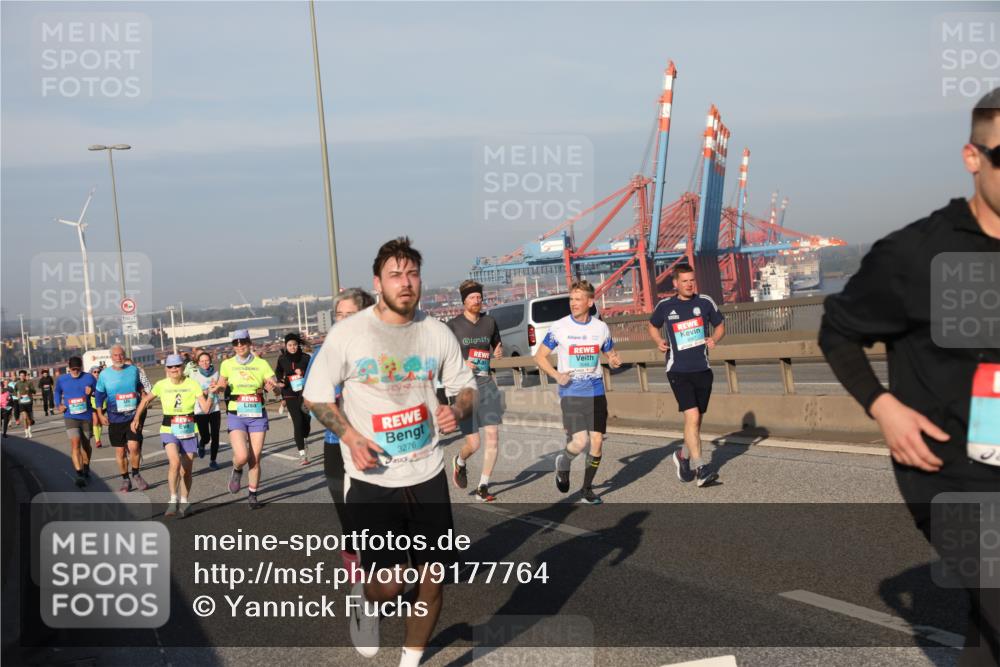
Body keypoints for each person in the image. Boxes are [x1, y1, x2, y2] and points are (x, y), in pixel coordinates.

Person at [819, 89, 1000, 667]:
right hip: (955, 476)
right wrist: (883, 405)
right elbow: (837, 332)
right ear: (973, 157)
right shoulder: (916, 255)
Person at [304, 238, 477, 666]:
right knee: (390, 586)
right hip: (372, 480)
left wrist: (457, 408)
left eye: (412, 274)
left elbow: (467, 386)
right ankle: (365, 597)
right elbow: (316, 397)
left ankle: (410, 661)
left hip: (427, 472)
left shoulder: (436, 332)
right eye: (395, 275)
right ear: (378, 283)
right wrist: (350, 437)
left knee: (432, 579)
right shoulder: (349, 334)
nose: (406, 283)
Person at [305, 288, 376, 583]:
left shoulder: (382, 349)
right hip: (337, 445)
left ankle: (383, 573)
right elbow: (312, 405)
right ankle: (359, 581)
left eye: (351, 315)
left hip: (377, 445)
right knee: (349, 517)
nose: (344, 321)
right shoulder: (323, 353)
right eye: (339, 316)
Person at [534, 280, 622, 505]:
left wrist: (613, 359)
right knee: (580, 442)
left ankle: (586, 488)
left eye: (578, 299)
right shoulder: (560, 327)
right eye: (571, 299)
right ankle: (563, 463)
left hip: (595, 390)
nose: (573, 303)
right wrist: (556, 375)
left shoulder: (600, 327)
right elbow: (540, 356)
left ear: (590, 302)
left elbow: (610, 352)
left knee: (597, 442)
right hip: (571, 392)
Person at [646, 262, 726, 487]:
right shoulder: (665, 306)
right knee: (692, 416)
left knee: (696, 420)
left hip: (702, 368)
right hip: (678, 370)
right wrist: (658, 340)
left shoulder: (705, 302)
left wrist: (714, 339)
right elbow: (652, 326)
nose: (689, 284)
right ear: (675, 284)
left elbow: (720, 326)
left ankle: (683, 456)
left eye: (692, 280)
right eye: (684, 281)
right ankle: (701, 468)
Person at [446, 279, 505, 502]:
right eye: (472, 298)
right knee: (474, 444)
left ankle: (483, 487)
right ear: (464, 301)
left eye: (479, 297)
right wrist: (463, 362)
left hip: (486, 383)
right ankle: (460, 461)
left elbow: (497, 345)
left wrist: (498, 352)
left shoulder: (490, 322)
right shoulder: (452, 326)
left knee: (493, 436)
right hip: (463, 388)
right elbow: (445, 357)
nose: (477, 301)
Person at [134, 354, 213, 518]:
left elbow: (205, 409)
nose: (174, 369)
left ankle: (185, 501)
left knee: (187, 470)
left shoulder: (193, 384)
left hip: (189, 429)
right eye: (170, 367)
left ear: (182, 367)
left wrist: (212, 394)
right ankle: (172, 500)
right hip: (169, 428)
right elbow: (145, 400)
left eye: (177, 366)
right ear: (166, 369)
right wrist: (136, 418)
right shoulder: (161, 385)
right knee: (174, 462)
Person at [218, 329, 279, 509]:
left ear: (249, 343)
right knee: (242, 456)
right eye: (235, 343)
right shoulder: (227, 364)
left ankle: (252, 494)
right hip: (236, 414)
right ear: (233, 346)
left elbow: (274, 386)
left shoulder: (262, 364)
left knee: (255, 457)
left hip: (257, 414)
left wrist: (273, 388)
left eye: (242, 342)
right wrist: (217, 388)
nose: (239, 346)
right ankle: (237, 469)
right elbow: (222, 385)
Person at [95, 344, 150, 493]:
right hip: (115, 419)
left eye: (121, 355)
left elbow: (139, 385)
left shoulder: (133, 370)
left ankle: (136, 474)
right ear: (111, 357)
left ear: (124, 355)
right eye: (115, 355)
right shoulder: (104, 375)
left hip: (133, 417)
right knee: (120, 452)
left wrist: (143, 392)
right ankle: (125, 479)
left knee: (134, 447)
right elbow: (99, 395)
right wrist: (100, 414)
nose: (119, 358)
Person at [53, 356, 97, 488]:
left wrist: (92, 392)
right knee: (75, 443)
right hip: (70, 415)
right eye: (73, 369)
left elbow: (98, 392)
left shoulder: (89, 378)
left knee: (86, 444)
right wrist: (58, 405)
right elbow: (57, 392)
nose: (75, 372)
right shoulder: (62, 379)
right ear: (69, 368)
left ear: (81, 367)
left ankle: (86, 466)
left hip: (86, 415)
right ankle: (79, 474)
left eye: (78, 369)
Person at [274, 332, 313, 465]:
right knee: (297, 422)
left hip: (305, 392)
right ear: (286, 346)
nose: (292, 347)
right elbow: (278, 371)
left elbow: (313, 371)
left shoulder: (306, 358)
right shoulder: (282, 359)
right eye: (290, 345)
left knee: (306, 421)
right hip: (289, 393)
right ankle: (302, 454)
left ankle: (305, 437)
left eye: (295, 345)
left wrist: (302, 372)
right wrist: (280, 381)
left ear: (298, 345)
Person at [190, 351, 224, 467]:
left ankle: (213, 460)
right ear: (198, 363)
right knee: (206, 436)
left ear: (210, 361)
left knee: (215, 436)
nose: (205, 363)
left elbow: (221, 389)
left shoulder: (216, 373)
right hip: (200, 410)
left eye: (207, 360)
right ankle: (202, 443)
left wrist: (218, 388)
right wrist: (203, 391)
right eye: (202, 361)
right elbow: (191, 392)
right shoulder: (194, 375)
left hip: (215, 408)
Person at [13, 370, 35, 438]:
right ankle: (26, 432)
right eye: (20, 375)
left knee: (29, 418)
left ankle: (29, 431)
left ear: (25, 376)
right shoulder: (17, 383)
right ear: (19, 376)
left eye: (23, 375)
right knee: (24, 417)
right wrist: (17, 395)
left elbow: (34, 391)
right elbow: (14, 392)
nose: (22, 377)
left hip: (28, 402)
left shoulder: (29, 383)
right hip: (21, 402)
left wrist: (29, 390)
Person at [88, 367, 104, 448]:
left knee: (100, 422)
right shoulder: (89, 382)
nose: (97, 373)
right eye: (95, 372)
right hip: (92, 404)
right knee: (96, 420)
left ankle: (98, 437)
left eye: (98, 372)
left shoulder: (103, 381)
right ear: (91, 373)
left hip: (102, 404)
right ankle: (97, 441)